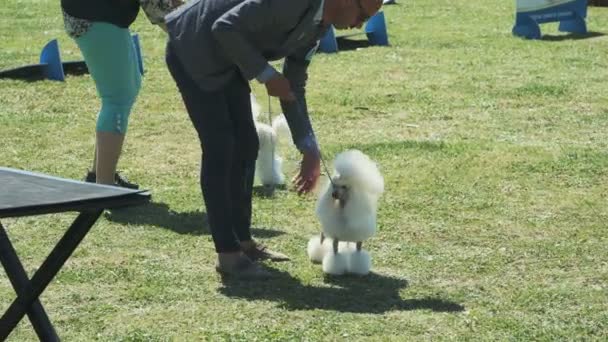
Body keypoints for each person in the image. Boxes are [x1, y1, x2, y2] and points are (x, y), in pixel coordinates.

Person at [164, 0, 383, 278]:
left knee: (247, 144)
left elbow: (293, 85)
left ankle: (243, 242)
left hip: (228, 58)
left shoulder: (319, 27)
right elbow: (225, 26)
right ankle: (228, 255)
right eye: (362, 14)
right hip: (193, 47)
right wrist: (267, 74)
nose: (358, 25)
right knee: (221, 147)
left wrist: (308, 147)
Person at [61, 0, 183, 188]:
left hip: (100, 15)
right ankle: (105, 187)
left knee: (129, 87)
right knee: (117, 98)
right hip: (96, 16)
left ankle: (98, 175)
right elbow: (160, 8)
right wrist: (191, 27)